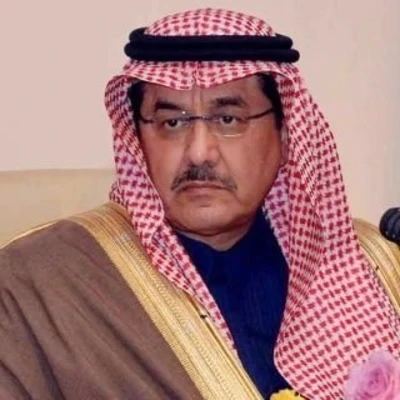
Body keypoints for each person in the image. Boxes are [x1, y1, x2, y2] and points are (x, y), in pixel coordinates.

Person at [0, 8, 398, 400]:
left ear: (285, 134)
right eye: (172, 123)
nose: (198, 152)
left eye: (228, 120)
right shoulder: (37, 284)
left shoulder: (373, 266)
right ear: (137, 139)